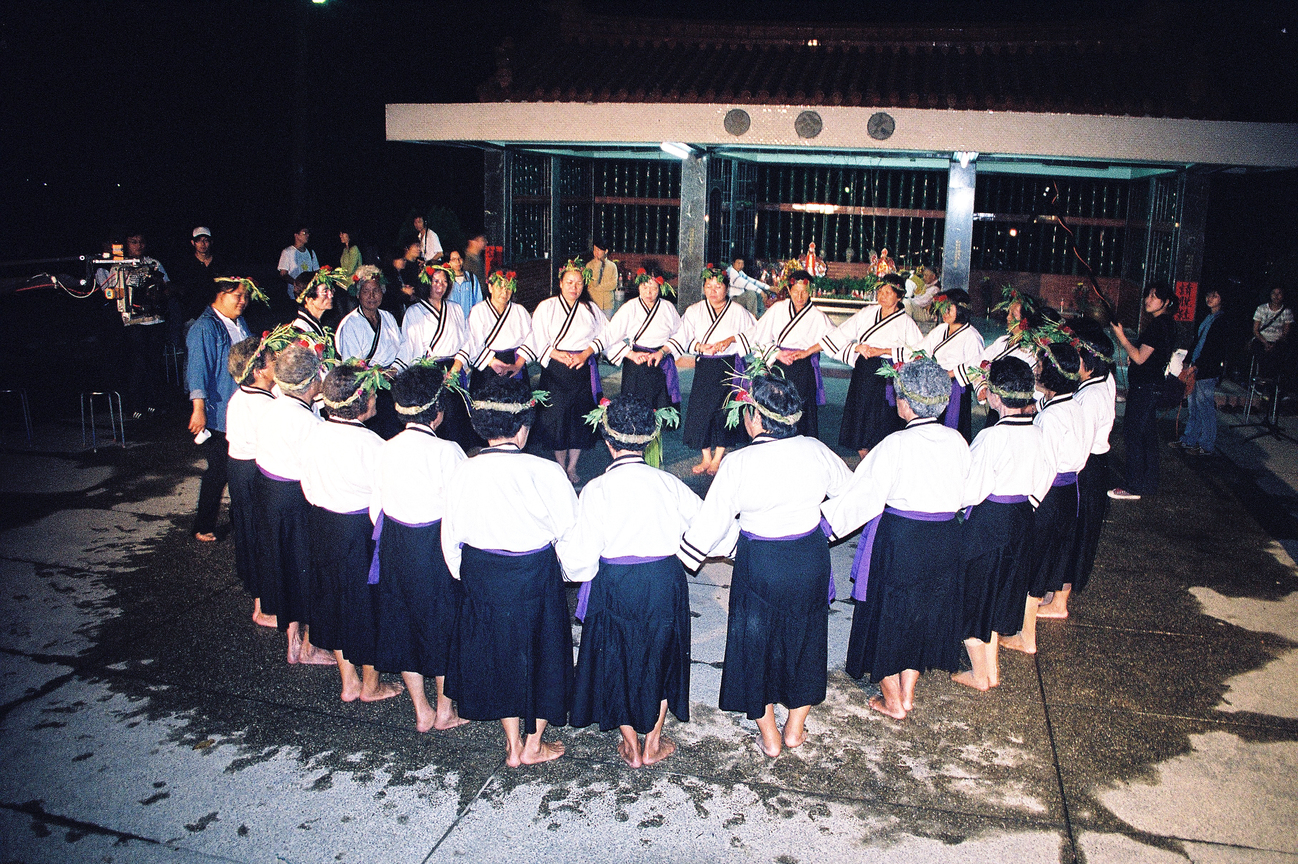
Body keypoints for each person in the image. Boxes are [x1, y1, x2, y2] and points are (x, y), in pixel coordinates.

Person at [680, 373, 851, 757]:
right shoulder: (816, 450)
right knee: (806, 639)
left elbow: (711, 524)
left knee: (754, 643)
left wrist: (687, 555)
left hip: (760, 561)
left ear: (754, 419)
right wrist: (826, 525)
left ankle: (770, 736)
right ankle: (795, 729)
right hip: (809, 556)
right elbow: (853, 492)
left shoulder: (739, 462)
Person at [821, 358, 970, 720]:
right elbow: (967, 496)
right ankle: (908, 691)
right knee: (921, 613)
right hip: (945, 539)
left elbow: (861, 499)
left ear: (905, 402)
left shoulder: (895, 444)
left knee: (886, 615)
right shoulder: (958, 442)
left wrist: (822, 525)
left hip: (902, 539)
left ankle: (893, 701)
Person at [442, 375, 579, 767]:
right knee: (541, 653)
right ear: (523, 428)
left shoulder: (464, 471)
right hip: (534, 573)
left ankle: (512, 743)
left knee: (500, 652)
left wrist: (463, 575)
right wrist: (567, 573)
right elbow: (570, 532)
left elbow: (450, 535)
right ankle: (534, 744)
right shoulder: (546, 472)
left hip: (483, 572)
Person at [560, 395, 701, 767]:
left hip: (616, 582)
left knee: (617, 656)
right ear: (650, 440)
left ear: (608, 442)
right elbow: (707, 530)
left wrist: (572, 570)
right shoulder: (668, 484)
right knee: (662, 655)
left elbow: (578, 562)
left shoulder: (596, 490)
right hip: (662, 579)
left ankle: (631, 745)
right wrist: (682, 556)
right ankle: (653, 740)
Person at [370, 363, 470, 733]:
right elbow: (460, 510)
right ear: (439, 412)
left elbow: (374, 508)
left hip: (396, 540)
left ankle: (422, 710)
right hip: (435, 544)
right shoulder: (449, 452)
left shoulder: (385, 448)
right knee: (441, 623)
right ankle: (445, 710)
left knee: (403, 621)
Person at [301, 363, 404, 704]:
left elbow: (309, 486)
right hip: (360, 531)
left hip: (323, 524)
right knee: (368, 605)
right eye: (373, 393)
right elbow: (384, 498)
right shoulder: (373, 444)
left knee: (334, 599)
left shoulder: (314, 434)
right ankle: (370, 685)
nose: (377, 398)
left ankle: (349, 680)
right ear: (361, 404)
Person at [956, 357, 1053, 690]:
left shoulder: (991, 438)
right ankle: (991, 669)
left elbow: (971, 490)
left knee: (972, 598)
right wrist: (1029, 503)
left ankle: (980, 675)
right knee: (999, 597)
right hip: (1022, 519)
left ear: (994, 398)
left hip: (990, 523)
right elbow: (1048, 473)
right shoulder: (1038, 432)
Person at [254, 342, 335, 666]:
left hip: (270, 494)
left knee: (284, 567)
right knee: (306, 569)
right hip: (296, 499)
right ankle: (309, 646)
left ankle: (293, 641)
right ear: (311, 382)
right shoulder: (309, 425)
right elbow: (318, 475)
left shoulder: (273, 406)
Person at [1004, 342, 1087, 650]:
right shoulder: (1073, 405)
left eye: (1039, 367)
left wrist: (1030, 506)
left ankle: (1027, 636)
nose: (1036, 370)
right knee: (1048, 559)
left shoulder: (1051, 417)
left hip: (1049, 494)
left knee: (1033, 564)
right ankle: (1025, 630)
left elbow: (1046, 467)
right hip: (1069, 492)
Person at [818, 273, 922, 458]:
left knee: (883, 420)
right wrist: (856, 347)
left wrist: (884, 351)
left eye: (888, 293)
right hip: (864, 373)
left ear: (899, 296)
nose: (882, 296)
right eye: (880, 291)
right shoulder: (867, 313)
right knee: (861, 418)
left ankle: (881, 461)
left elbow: (918, 354)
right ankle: (864, 459)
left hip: (888, 375)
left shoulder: (906, 323)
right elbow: (841, 334)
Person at [530, 258, 610, 483]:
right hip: (556, 369)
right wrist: (555, 354)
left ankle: (572, 467)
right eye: (569, 282)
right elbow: (536, 336)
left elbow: (605, 334)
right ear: (561, 283)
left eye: (578, 283)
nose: (574, 287)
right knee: (557, 417)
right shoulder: (547, 306)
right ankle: (559, 465)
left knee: (578, 419)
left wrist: (586, 354)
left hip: (582, 367)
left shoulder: (591, 309)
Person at [185, 277, 252, 542]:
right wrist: (198, 408)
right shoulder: (205, 327)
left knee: (240, 467)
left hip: (240, 409)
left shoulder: (239, 322)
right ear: (220, 295)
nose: (242, 301)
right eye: (237, 295)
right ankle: (202, 525)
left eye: (245, 296)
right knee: (219, 470)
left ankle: (240, 519)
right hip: (217, 411)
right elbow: (197, 370)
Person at [673, 265, 757, 475]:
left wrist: (732, 340)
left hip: (728, 366)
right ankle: (706, 457)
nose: (713, 291)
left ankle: (718, 457)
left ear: (726, 289)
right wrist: (698, 346)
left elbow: (754, 334)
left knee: (724, 411)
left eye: (718, 286)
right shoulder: (694, 310)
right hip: (705, 367)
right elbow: (682, 336)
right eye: (708, 286)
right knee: (701, 411)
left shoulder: (738, 311)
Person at [734, 269, 834, 439]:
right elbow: (759, 335)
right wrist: (776, 353)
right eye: (796, 291)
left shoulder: (817, 316)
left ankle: (802, 444)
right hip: (779, 365)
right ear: (788, 290)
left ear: (810, 291)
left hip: (803, 367)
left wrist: (808, 351)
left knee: (801, 408)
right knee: (775, 405)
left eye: (804, 292)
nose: (800, 296)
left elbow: (833, 339)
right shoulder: (778, 309)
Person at [224, 335, 278, 629]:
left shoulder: (243, 395)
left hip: (240, 470)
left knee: (253, 534)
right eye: (272, 361)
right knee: (260, 537)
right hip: (253, 472)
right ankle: (263, 608)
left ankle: (262, 602)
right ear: (258, 371)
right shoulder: (262, 405)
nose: (277, 363)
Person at [1109, 283, 1177, 501]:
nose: (1148, 300)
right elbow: (1145, 356)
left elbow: (1139, 357)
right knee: (1147, 436)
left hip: (1145, 387)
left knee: (1133, 435)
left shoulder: (1159, 325)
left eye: (1155, 297)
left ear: (1166, 302)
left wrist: (1121, 337)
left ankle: (1133, 485)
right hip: (1151, 384)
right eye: (1148, 295)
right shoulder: (1166, 323)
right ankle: (1148, 483)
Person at [399, 264, 477, 451]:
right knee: (433, 419)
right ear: (427, 283)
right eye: (435, 281)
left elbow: (467, 340)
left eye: (444, 281)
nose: (440, 286)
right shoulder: (414, 312)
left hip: (454, 370)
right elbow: (410, 347)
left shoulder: (455, 309)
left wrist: (457, 368)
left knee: (456, 419)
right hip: (429, 372)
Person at [1068, 317, 1118, 603]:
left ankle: (1070, 585)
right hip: (1095, 464)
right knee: (1084, 528)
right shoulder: (1101, 381)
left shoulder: (1091, 396)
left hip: (1088, 466)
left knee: (1082, 527)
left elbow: (1080, 445)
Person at [98, 231, 171, 418]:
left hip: (155, 319)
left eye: (141, 242)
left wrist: (158, 290)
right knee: (138, 362)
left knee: (154, 362)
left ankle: (155, 402)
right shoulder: (119, 267)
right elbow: (112, 293)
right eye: (134, 242)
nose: (138, 245)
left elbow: (167, 288)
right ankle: (137, 404)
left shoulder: (153, 264)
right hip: (133, 322)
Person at [603, 264, 684, 411]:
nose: (649, 292)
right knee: (635, 412)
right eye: (645, 287)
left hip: (661, 362)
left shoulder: (667, 308)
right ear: (639, 287)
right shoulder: (629, 307)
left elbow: (681, 334)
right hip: (637, 365)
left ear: (660, 288)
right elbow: (608, 335)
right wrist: (630, 354)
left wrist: (664, 351)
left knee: (661, 412)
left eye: (653, 288)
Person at [338, 268, 404, 438]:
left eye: (375, 290)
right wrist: (377, 376)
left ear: (382, 292)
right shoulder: (351, 324)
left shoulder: (388, 317)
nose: (371, 296)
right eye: (366, 291)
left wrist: (394, 370)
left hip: (393, 382)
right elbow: (351, 364)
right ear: (358, 294)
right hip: (370, 389)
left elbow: (401, 348)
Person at [912, 288, 985, 441]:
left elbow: (977, 366)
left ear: (961, 309)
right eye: (942, 308)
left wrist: (979, 387)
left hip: (955, 388)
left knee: (952, 430)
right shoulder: (940, 330)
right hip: (935, 385)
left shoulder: (971, 336)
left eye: (948, 308)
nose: (944, 312)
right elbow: (921, 349)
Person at [458, 270, 536, 391]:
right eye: (500, 287)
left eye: (508, 288)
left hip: (514, 365)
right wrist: (492, 362)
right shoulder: (478, 311)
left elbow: (532, 339)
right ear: (490, 287)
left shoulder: (519, 311)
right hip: (487, 366)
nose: (504, 292)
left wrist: (518, 364)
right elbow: (472, 343)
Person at [1174, 289, 1229, 456]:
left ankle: (1206, 445)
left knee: (1205, 408)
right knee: (1194, 407)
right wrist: (1188, 360)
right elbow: (1197, 341)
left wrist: (1195, 366)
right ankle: (1189, 439)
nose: (1210, 298)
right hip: (1197, 365)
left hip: (1207, 369)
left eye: (1215, 295)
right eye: (1209, 295)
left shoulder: (1221, 321)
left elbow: (1212, 349)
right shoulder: (1207, 318)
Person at [171, 226, 224, 332]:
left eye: (206, 240)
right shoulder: (185, 264)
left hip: (217, 313)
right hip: (192, 316)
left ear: (211, 242)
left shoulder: (219, 263)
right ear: (193, 243)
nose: (203, 244)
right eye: (199, 241)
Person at [1251, 286, 1292, 378]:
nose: (1276, 296)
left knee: (1277, 356)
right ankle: (1261, 379)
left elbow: (1286, 332)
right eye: (1274, 293)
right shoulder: (1261, 309)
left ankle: (1272, 382)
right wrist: (1265, 343)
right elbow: (1255, 330)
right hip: (1261, 339)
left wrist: (1275, 344)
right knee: (1260, 353)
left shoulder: (1287, 311)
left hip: (1277, 342)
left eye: (1279, 293)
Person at [278, 226, 319, 300]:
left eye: (308, 233)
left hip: (309, 294)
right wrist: (297, 284)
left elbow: (317, 271)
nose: (307, 235)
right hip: (294, 295)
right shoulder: (287, 252)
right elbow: (283, 274)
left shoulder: (311, 252)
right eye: (304, 233)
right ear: (296, 235)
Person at [446, 249, 484, 324]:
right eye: (453, 259)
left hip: (469, 322)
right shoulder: (446, 279)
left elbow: (478, 300)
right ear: (448, 262)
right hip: (451, 322)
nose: (457, 262)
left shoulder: (471, 278)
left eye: (459, 258)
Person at [587, 239, 619, 314]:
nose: (596, 253)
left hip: (608, 305)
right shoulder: (589, 266)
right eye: (594, 250)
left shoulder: (612, 266)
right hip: (594, 303)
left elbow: (613, 284)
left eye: (598, 250)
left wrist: (597, 288)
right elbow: (593, 283)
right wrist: (597, 266)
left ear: (606, 251)